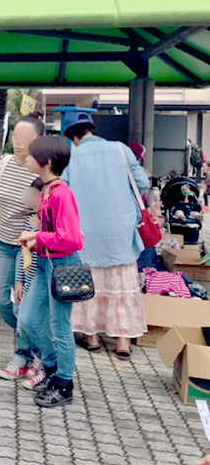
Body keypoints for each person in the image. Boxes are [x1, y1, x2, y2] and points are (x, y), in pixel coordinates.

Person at [63, 114, 149, 359]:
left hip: (86, 230)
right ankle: (123, 342)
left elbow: (65, 192)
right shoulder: (120, 149)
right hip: (120, 228)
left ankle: (91, 337)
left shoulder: (72, 157)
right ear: (92, 129)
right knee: (121, 283)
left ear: (72, 137)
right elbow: (141, 183)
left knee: (89, 280)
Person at [0, 115, 45, 380]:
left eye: (24, 138)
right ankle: (38, 347)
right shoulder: (2, 163)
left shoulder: (41, 169)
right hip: (3, 242)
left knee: (20, 307)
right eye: (15, 136)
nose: (18, 142)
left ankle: (24, 354)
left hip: (30, 249)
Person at [17, 135, 84, 408]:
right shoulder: (47, 189)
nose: (26, 159)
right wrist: (37, 239)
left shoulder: (61, 193)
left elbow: (71, 239)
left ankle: (63, 382)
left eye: (31, 156)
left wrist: (38, 238)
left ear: (45, 163)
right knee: (29, 319)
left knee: (59, 327)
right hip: (47, 263)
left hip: (62, 265)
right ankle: (53, 367)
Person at [15, 179, 45, 390]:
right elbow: (23, 251)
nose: (32, 201)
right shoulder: (30, 219)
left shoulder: (48, 221)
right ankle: (36, 359)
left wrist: (38, 230)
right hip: (29, 278)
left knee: (39, 322)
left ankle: (43, 363)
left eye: (37, 196)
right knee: (24, 321)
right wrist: (18, 280)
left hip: (44, 279)